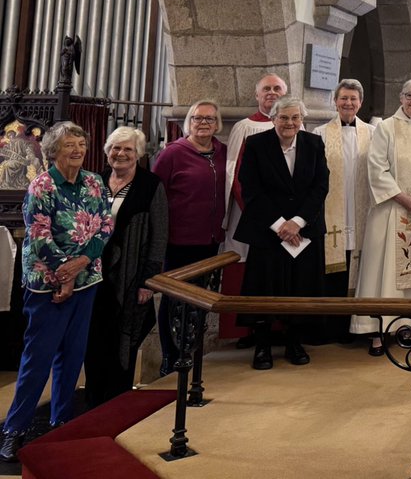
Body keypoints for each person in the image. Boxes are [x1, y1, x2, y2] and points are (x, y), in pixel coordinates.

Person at [1, 122, 113, 462]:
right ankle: (14, 429)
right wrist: (64, 274)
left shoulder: (94, 181)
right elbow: (39, 235)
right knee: (38, 360)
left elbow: (105, 225)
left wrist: (80, 264)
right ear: (53, 151)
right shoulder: (42, 185)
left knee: (73, 356)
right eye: (69, 145)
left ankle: (61, 421)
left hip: (86, 279)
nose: (77, 150)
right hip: (47, 283)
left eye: (81, 143)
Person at [235, 97, 329, 370]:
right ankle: (262, 346)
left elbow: (320, 186)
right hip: (269, 232)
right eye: (284, 118)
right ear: (273, 118)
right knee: (265, 289)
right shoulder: (256, 145)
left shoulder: (313, 144)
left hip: (304, 230)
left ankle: (294, 342)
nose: (290, 123)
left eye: (295, 118)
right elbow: (250, 188)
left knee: (300, 288)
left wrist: (297, 222)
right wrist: (280, 225)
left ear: (302, 120)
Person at [353, 79, 411, 356]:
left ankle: (410, 325)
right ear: (401, 97)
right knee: (386, 271)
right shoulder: (386, 128)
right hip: (393, 211)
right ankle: (378, 331)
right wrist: (403, 198)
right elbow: (377, 169)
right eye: (410, 95)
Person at [85, 127, 166, 407]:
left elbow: (159, 235)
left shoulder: (151, 185)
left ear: (139, 154)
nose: (121, 154)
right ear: (107, 151)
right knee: (94, 336)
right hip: (92, 273)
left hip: (130, 275)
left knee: (123, 338)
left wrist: (148, 280)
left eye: (128, 149)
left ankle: (116, 400)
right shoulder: (94, 181)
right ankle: (93, 398)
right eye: (115, 148)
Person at [152, 100, 226, 374]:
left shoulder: (222, 152)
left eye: (209, 118)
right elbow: (156, 196)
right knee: (174, 300)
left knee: (200, 301)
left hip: (210, 240)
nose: (203, 123)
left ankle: (191, 353)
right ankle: (170, 357)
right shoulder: (173, 154)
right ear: (189, 123)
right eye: (197, 118)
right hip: (178, 241)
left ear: (217, 123)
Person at [313, 79, 375, 343]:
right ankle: (331, 328)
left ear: (360, 102)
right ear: (334, 102)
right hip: (331, 212)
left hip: (363, 211)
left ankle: (358, 328)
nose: (348, 103)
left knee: (361, 267)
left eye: (353, 99)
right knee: (333, 268)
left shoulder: (373, 133)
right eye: (343, 98)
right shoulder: (319, 134)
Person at [223, 73, 288, 260]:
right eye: (266, 89)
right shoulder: (244, 127)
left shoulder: (295, 126)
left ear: (285, 94)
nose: (271, 93)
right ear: (257, 95)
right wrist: (255, 210)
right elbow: (234, 173)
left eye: (277, 89)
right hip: (248, 211)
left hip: (286, 218)